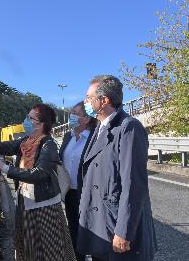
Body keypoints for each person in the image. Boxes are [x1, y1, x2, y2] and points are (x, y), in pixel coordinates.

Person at [77, 75, 157, 261]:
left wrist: (124, 232)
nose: (85, 102)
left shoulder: (128, 127)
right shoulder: (99, 127)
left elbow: (133, 184)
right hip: (99, 223)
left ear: (104, 100)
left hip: (114, 226)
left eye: (89, 98)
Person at [0, 103, 76, 261]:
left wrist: (6, 168)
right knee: (30, 248)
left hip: (44, 206)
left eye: (30, 118)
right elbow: (0, 147)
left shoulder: (48, 144)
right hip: (26, 202)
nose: (25, 121)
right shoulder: (26, 141)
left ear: (40, 124)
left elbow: (39, 174)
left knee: (50, 251)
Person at [59, 101, 97, 261]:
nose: (71, 117)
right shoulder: (68, 136)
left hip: (88, 193)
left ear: (87, 119)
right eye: (71, 113)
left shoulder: (95, 137)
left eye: (75, 114)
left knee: (93, 233)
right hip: (70, 192)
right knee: (73, 229)